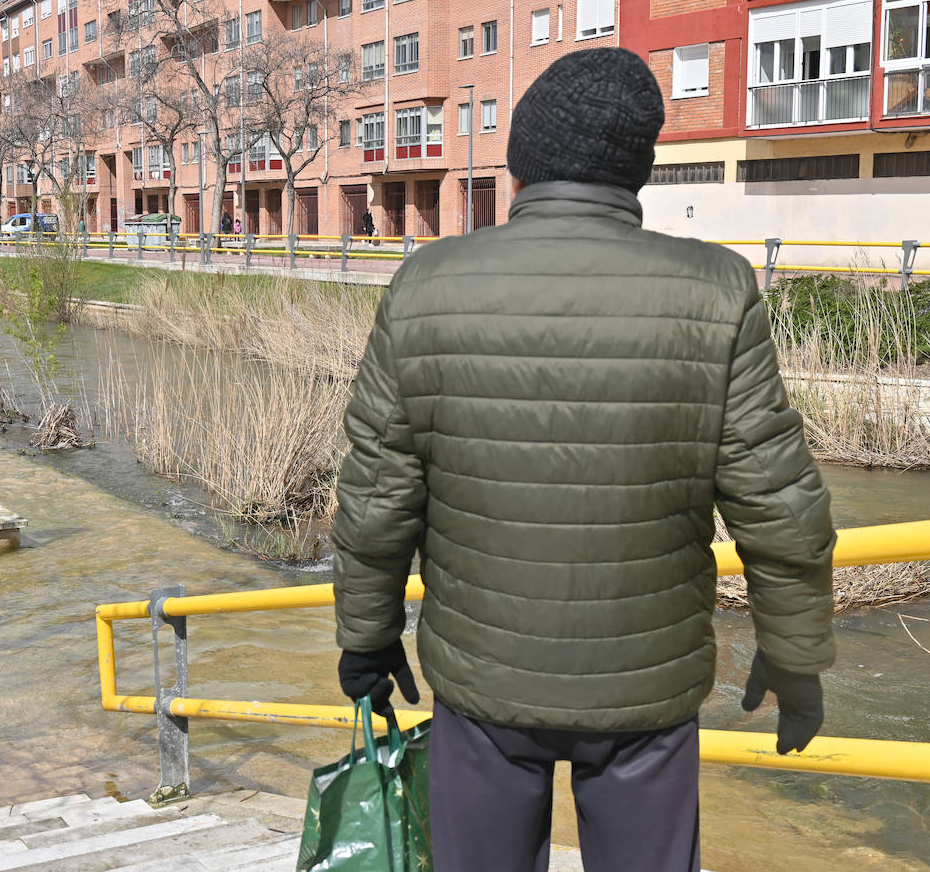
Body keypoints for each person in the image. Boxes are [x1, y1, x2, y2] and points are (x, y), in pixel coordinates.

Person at [331, 47, 835, 872]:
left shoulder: (426, 284)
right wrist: (797, 654)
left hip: (482, 686)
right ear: (640, 165)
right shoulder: (716, 290)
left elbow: (378, 495)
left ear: (519, 159)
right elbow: (780, 509)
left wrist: (367, 636)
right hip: (645, 694)